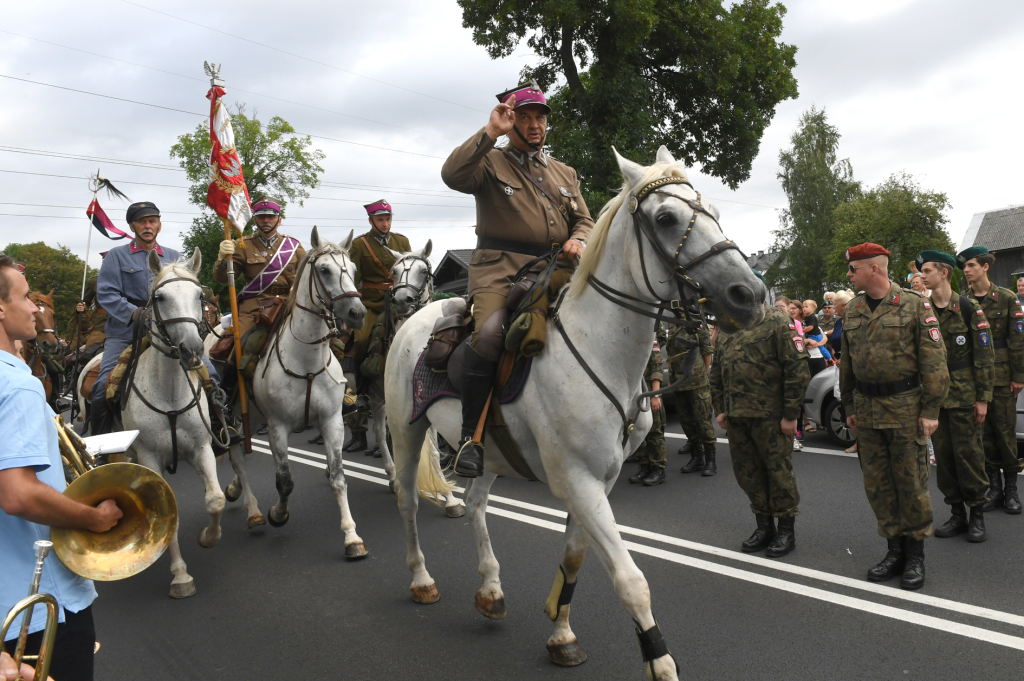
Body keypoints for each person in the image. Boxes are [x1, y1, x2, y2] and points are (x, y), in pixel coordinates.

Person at [440, 80, 593, 477]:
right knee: (490, 333)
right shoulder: (490, 162)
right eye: (524, 117)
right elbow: (452, 175)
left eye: (539, 116)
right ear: (513, 122)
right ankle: (470, 438)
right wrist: (491, 133)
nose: (534, 124)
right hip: (500, 270)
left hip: (556, 270)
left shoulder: (564, 172)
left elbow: (585, 220)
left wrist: (579, 238)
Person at [0, 254, 123, 681]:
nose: (35, 307)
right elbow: (17, 493)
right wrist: (93, 516)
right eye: (23, 298)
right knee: (106, 383)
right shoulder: (17, 385)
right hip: (35, 604)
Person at [841, 242, 948, 590]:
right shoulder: (853, 309)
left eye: (853, 268)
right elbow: (848, 364)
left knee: (911, 485)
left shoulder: (916, 306)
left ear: (874, 268)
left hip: (905, 409)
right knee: (878, 485)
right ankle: (894, 550)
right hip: (868, 411)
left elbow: (934, 360)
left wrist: (931, 410)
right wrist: (850, 408)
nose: (848, 274)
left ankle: (915, 555)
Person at [91, 201, 217, 435]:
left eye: (152, 221)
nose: (147, 226)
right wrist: (137, 314)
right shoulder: (115, 257)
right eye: (141, 222)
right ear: (132, 226)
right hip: (126, 333)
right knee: (102, 387)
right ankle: (100, 450)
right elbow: (106, 294)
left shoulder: (174, 257)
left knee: (212, 376)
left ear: (159, 225)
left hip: (172, 334)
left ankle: (221, 430)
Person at [710, 271, 810, 557]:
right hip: (737, 417)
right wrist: (720, 408)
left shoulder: (777, 322)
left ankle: (786, 530)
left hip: (771, 416)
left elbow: (797, 370)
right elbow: (717, 370)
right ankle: (764, 526)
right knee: (748, 474)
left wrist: (791, 414)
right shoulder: (728, 326)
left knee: (778, 473)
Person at [917, 251, 993, 542]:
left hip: (964, 396)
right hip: (935, 399)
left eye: (927, 270)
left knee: (970, 456)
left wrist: (983, 398)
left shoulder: (967, 307)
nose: (923, 276)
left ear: (944, 273)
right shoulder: (922, 310)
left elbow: (984, 357)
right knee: (945, 460)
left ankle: (977, 515)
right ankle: (957, 513)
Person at [956, 246, 1024, 514]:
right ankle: (993, 489)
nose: (967, 270)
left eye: (971, 265)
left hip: (1002, 376)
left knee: (1005, 433)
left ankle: (1011, 491)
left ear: (985, 266)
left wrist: (1019, 375)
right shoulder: (963, 301)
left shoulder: (1007, 298)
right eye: (964, 267)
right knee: (982, 436)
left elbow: (1018, 341)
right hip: (973, 379)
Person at [341, 199, 411, 453]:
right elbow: (350, 277)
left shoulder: (401, 242)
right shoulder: (360, 245)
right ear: (371, 221)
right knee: (360, 343)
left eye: (388, 218)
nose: (385, 223)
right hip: (370, 304)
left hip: (396, 303)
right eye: (380, 219)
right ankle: (360, 396)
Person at [214, 198, 306, 371]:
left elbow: (308, 274)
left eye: (271, 217)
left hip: (289, 303)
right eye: (261, 216)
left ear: (279, 220)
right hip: (254, 306)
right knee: (238, 345)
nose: (266, 221)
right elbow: (221, 279)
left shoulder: (293, 246)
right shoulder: (242, 245)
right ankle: (228, 389)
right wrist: (222, 260)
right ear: (255, 219)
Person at [667, 322, 717, 476]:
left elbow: (707, 350)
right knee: (686, 421)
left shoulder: (697, 324)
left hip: (697, 382)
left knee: (703, 422)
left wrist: (703, 373)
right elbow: (671, 355)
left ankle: (710, 461)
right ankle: (697, 457)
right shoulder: (673, 324)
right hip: (679, 381)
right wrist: (671, 378)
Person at [628, 327, 668, 486]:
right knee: (639, 432)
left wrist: (655, 395)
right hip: (635, 394)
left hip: (649, 392)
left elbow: (657, 366)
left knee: (654, 432)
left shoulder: (650, 339)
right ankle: (645, 466)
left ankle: (658, 468)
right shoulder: (630, 342)